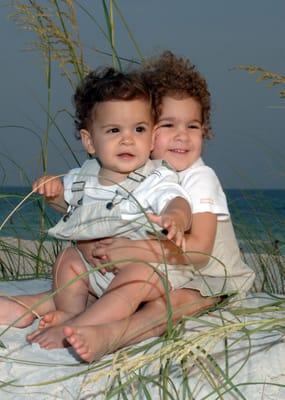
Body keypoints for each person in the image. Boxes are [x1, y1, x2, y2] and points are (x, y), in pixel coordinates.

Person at [60, 51, 256, 362]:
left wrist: (135, 251)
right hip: (164, 271)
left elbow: (201, 253)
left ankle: (110, 336)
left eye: (193, 126)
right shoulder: (146, 174)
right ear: (149, 130)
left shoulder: (199, 178)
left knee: (170, 305)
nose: (182, 135)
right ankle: (58, 310)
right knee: (121, 285)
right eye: (168, 124)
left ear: (205, 130)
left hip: (211, 279)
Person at [0, 67, 192, 349]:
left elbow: (177, 200)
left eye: (138, 129)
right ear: (90, 141)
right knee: (69, 258)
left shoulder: (154, 177)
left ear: (151, 138)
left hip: (144, 277)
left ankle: (81, 324)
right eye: (114, 130)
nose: (128, 139)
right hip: (97, 275)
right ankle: (70, 310)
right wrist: (53, 191)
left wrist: (176, 217)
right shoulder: (82, 177)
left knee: (137, 276)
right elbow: (70, 210)